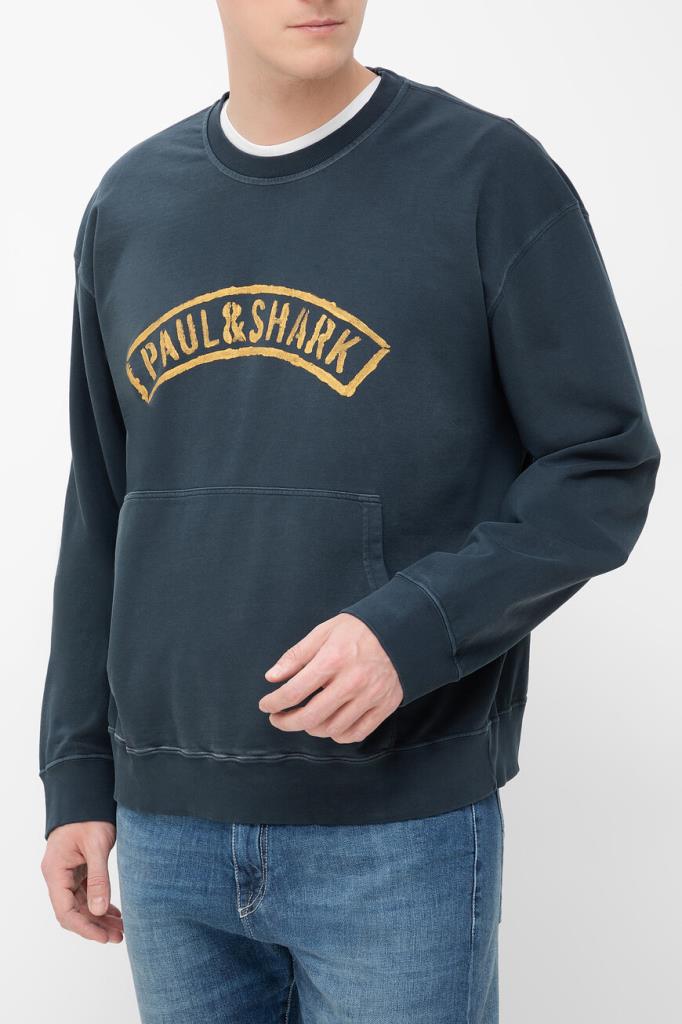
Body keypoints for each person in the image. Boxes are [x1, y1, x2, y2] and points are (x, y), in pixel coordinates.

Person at [38, 2, 661, 1021]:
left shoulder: (487, 178)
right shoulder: (132, 205)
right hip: (167, 835)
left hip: (396, 833)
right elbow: (103, 503)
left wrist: (413, 632)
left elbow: (600, 462)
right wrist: (76, 772)